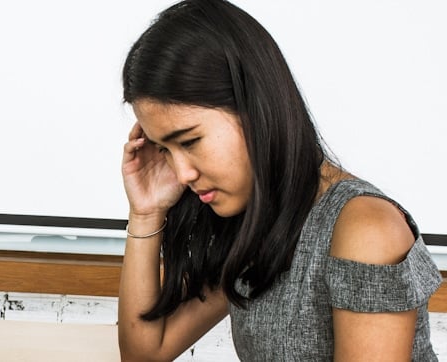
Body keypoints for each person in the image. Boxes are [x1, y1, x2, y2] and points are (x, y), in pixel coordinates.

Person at [116, 0, 442, 361]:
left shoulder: (365, 230)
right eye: (165, 149)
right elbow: (145, 353)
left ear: (254, 107)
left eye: (190, 141)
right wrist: (146, 212)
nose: (182, 174)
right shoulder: (254, 223)